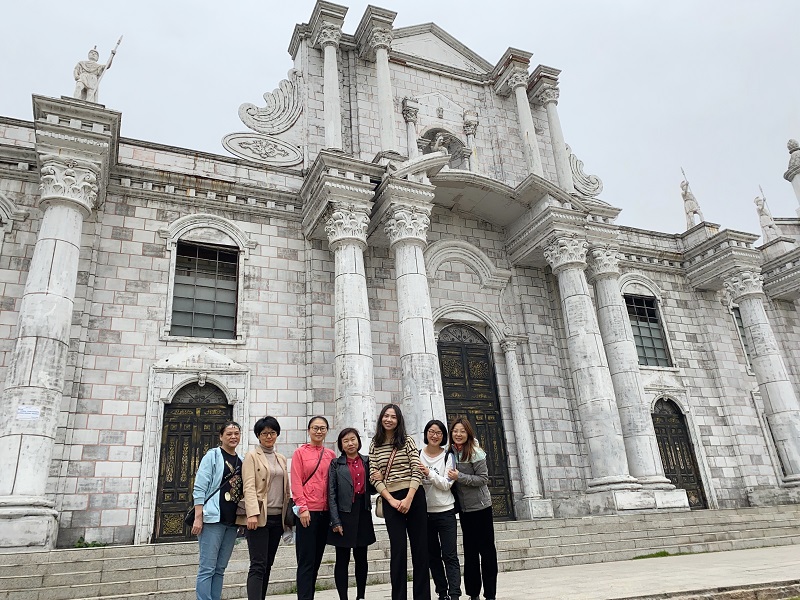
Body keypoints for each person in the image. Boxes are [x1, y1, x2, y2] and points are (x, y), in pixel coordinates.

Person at [369, 404, 430, 600]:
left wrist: (408, 498)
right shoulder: (375, 444)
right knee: (398, 550)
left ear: (398, 420)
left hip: (413, 496)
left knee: (420, 549)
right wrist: (391, 500)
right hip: (390, 499)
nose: (389, 420)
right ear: (381, 418)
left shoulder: (407, 441)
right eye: (386, 416)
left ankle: (422, 597)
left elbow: (417, 469)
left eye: (393, 417)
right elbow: (374, 476)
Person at [192, 421, 244, 600]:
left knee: (220, 568)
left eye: (236, 433)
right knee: (207, 568)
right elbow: (200, 487)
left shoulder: (242, 460)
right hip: (212, 519)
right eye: (229, 434)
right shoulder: (212, 456)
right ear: (221, 436)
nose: (233, 437)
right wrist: (198, 517)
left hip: (232, 522)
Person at [242, 416, 292, 600]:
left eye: (272, 432)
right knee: (258, 565)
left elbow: (286, 489)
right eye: (264, 433)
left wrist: (288, 519)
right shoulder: (252, 456)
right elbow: (248, 486)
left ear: (277, 434)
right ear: (258, 435)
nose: (269, 436)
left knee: (268, 564)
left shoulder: (281, 458)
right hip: (259, 517)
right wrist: (252, 514)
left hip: (277, 518)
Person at [447, 418, 497, 600]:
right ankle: (473, 593)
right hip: (465, 510)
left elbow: (483, 479)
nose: (458, 434)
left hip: (482, 508)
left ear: (468, 433)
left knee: (487, 551)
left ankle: (490, 594)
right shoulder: (450, 452)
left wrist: (460, 476)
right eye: (455, 431)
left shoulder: (476, 452)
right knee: (470, 552)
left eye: (462, 431)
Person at [328, 427, 377, 600]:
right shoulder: (336, 464)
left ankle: (361, 596)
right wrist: (335, 521)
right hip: (343, 513)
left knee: (361, 557)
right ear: (341, 445)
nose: (350, 443)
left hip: (362, 512)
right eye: (346, 441)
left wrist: (377, 478)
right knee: (342, 559)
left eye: (353, 439)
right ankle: (343, 597)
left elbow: (372, 489)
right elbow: (331, 493)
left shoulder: (367, 461)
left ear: (358, 441)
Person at [292, 416, 336, 600]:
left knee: (317, 559)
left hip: (325, 513)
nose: (319, 431)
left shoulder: (331, 455)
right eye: (315, 428)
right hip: (307, 513)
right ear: (309, 430)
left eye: (322, 428)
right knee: (306, 561)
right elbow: (296, 482)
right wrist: (302, 507)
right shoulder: (300, 453)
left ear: (327, 431)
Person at [419, 419, 461, 600]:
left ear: (443, 436)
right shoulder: (418, 455)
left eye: (438, 433)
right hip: (425, 514)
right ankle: (442, 592)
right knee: (433, 556)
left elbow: (446, 484)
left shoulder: (448, 456)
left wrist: (428, 473)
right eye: (431, 431)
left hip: (446, 512)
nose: (434, 436)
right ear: (426, 434)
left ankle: (454, 594)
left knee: (450, 555)